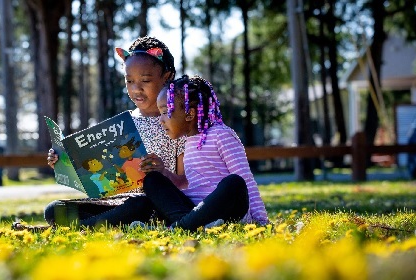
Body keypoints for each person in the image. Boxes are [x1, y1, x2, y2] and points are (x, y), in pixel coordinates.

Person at [41, 36, 187, 228]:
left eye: (145, 80)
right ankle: (93, 225)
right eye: (129, 81)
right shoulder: (124, 123)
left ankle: (82, 228)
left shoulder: (178, 123)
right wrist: (63, 163)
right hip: (119, 203)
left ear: (166, 77)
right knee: (54, 209)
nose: (136, 89)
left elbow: (187, 182)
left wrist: (163, 172)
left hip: (156, 204)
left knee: (139, 204)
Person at [139, 74, 269, 231]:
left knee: (234, 182)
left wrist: (261, 220)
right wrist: (163, 172)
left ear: (190, 114)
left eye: (166, 112)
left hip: (226, 211)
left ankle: (178, 227)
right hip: (195, 211)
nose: (161, 120)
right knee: (153, 181)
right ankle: (191, 225)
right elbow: (187, 184)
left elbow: (246, 180)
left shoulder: (221, 135)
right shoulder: (188, 142)